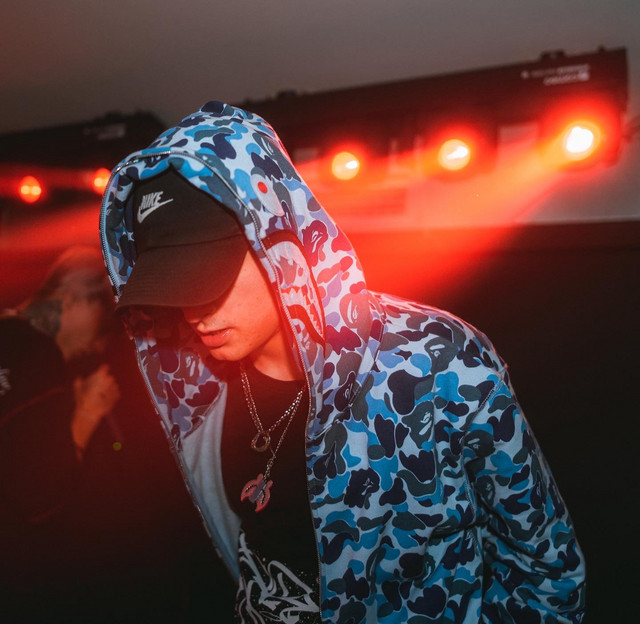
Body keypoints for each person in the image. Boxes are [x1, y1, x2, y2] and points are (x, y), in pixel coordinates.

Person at [99, 101, 586, 623]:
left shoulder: (436, 360)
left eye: (203, 275)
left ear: (277, 238)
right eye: (170, 286)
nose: (191, 311)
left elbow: (546, 571)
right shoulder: (199, 389)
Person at [0, 246, 120, 616]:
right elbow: (41, 496)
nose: (97, 343)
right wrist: (88, 412)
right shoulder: (40, 355)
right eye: (103, 320)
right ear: (74, 298)